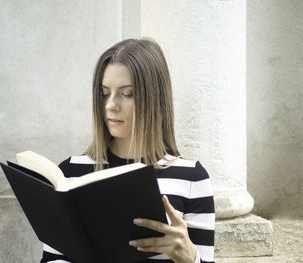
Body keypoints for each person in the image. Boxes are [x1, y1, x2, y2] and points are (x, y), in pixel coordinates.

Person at [41, 38, 215, 263]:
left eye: (127, 93)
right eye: (105, 93)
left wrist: (190, 258)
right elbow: (52, 258)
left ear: (154, 99)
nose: (110, 105)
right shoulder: (71, 172)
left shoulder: (192, 177)